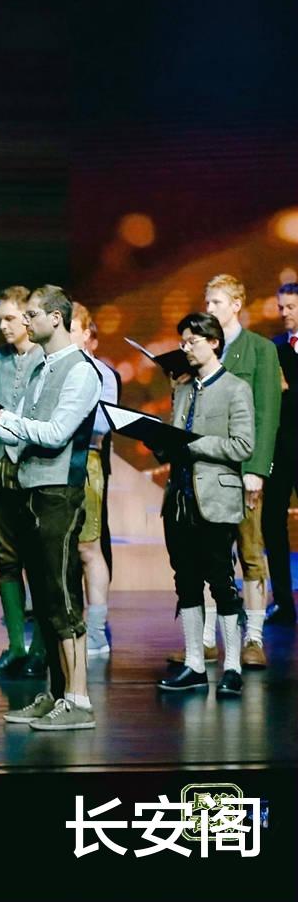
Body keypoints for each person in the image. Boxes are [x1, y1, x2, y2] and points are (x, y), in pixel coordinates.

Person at [0, 285, 102, 731]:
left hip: (59, 494)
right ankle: (56, 692)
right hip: (30, 491)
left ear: (56, 317)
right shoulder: (41, 367)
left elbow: (55, 433)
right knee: (46, 599)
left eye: (31, 314)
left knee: (63, 598)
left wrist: (5, 419)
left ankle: (79, 700)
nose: (25, 321)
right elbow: (17, 432)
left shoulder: (81, 370)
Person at [156, 312, 254, 697]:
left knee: (221, 582)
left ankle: (232, 666)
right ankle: (195, 663)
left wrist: (193, 444)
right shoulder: (182, 389)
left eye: (192, 341)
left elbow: (242, 445)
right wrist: (161, 442)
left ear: (213, 342)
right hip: (179, 498)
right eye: (183, 342)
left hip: (215, 499)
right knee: (186, 581)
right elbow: (176, 438)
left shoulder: (235, 388)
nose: (186, 348)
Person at [204, 274, 280, 669]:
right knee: (207, 555)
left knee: (250, 553)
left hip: (242, 467)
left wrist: (256, 469)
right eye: (207, 302)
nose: (209, 309)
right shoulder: (203, 348)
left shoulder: (260, 350)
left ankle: (254, 638)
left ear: (236, 304)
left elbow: (267, 414)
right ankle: (206, 640)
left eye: (216, 302)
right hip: (207, 469)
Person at [0, 286, 45, 680]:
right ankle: (16, 645)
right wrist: (1, 429)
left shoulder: (47, 357)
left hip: (33, 468)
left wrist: (10, 427)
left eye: (9, 318)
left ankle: (41, 649)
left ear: (27, 317)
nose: (3, 326)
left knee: (37, 557)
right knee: (6, 558)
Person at [69, 304, 118, 656]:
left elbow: (103, 424)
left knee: (88, 547)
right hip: (49, 462)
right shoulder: (45, 369)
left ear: (87, 333)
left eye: (71, 328)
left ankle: (97, 632)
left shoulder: (102, 373)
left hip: (86, 461)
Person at [267, 282, 298, 627]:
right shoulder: (273, 348)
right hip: (279, 448)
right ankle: (283, 602)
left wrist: (288, 392)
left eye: (290, 306)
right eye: (281, 307)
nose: (284, 313)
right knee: (272, 524)